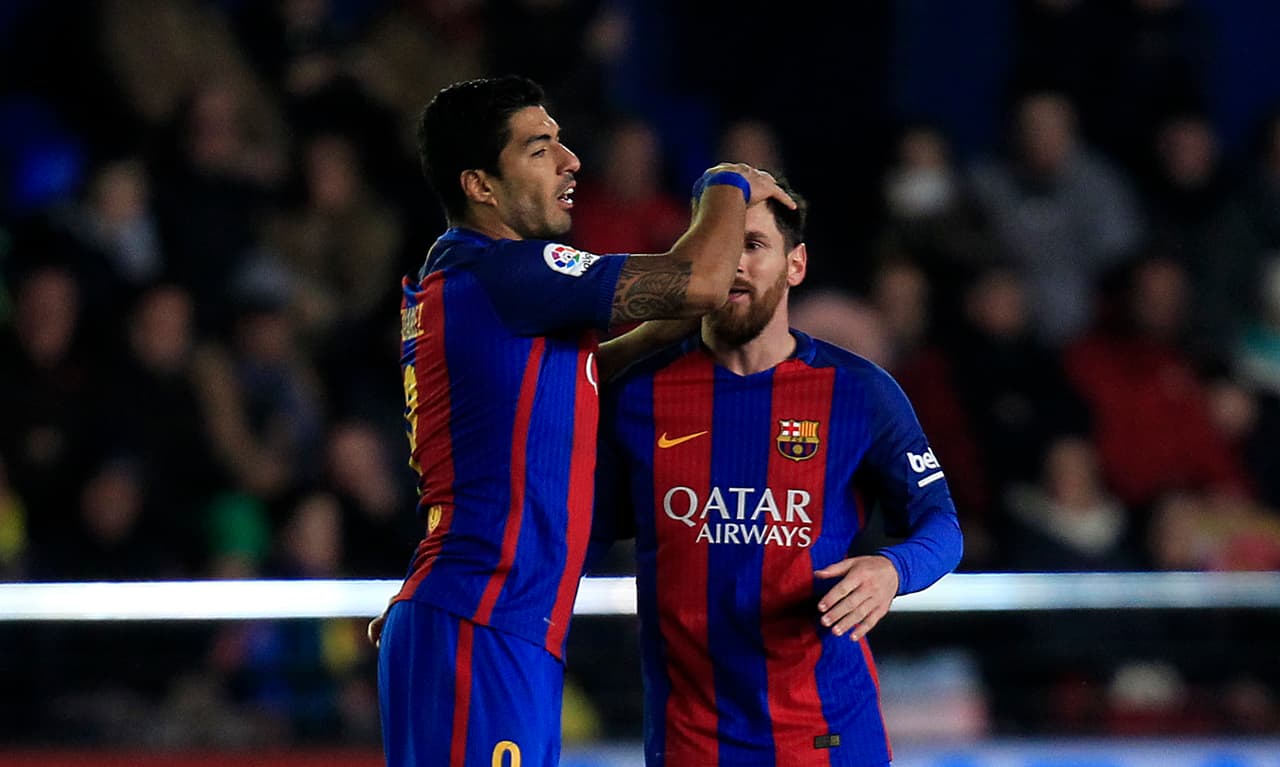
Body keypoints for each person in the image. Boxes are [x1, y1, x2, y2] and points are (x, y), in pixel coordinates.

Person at [369, 75, 794, 767]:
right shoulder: (514, 272)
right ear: (481, 185)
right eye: (540, 149)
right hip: (486, 620)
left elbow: (567, 379)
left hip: (485, 621)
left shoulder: (470, 281)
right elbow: (701, 278)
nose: (571, 161)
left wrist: (658, 334)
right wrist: (728, 181)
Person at [593, 178, 963, 766]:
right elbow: (573, 532)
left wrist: (892, 569)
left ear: (796, 265)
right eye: (717, 248)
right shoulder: (635, 394)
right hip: (691, 741)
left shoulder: (859, 392)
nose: (733, 266)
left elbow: (943, 528)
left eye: (753, 245)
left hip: (828, 735)